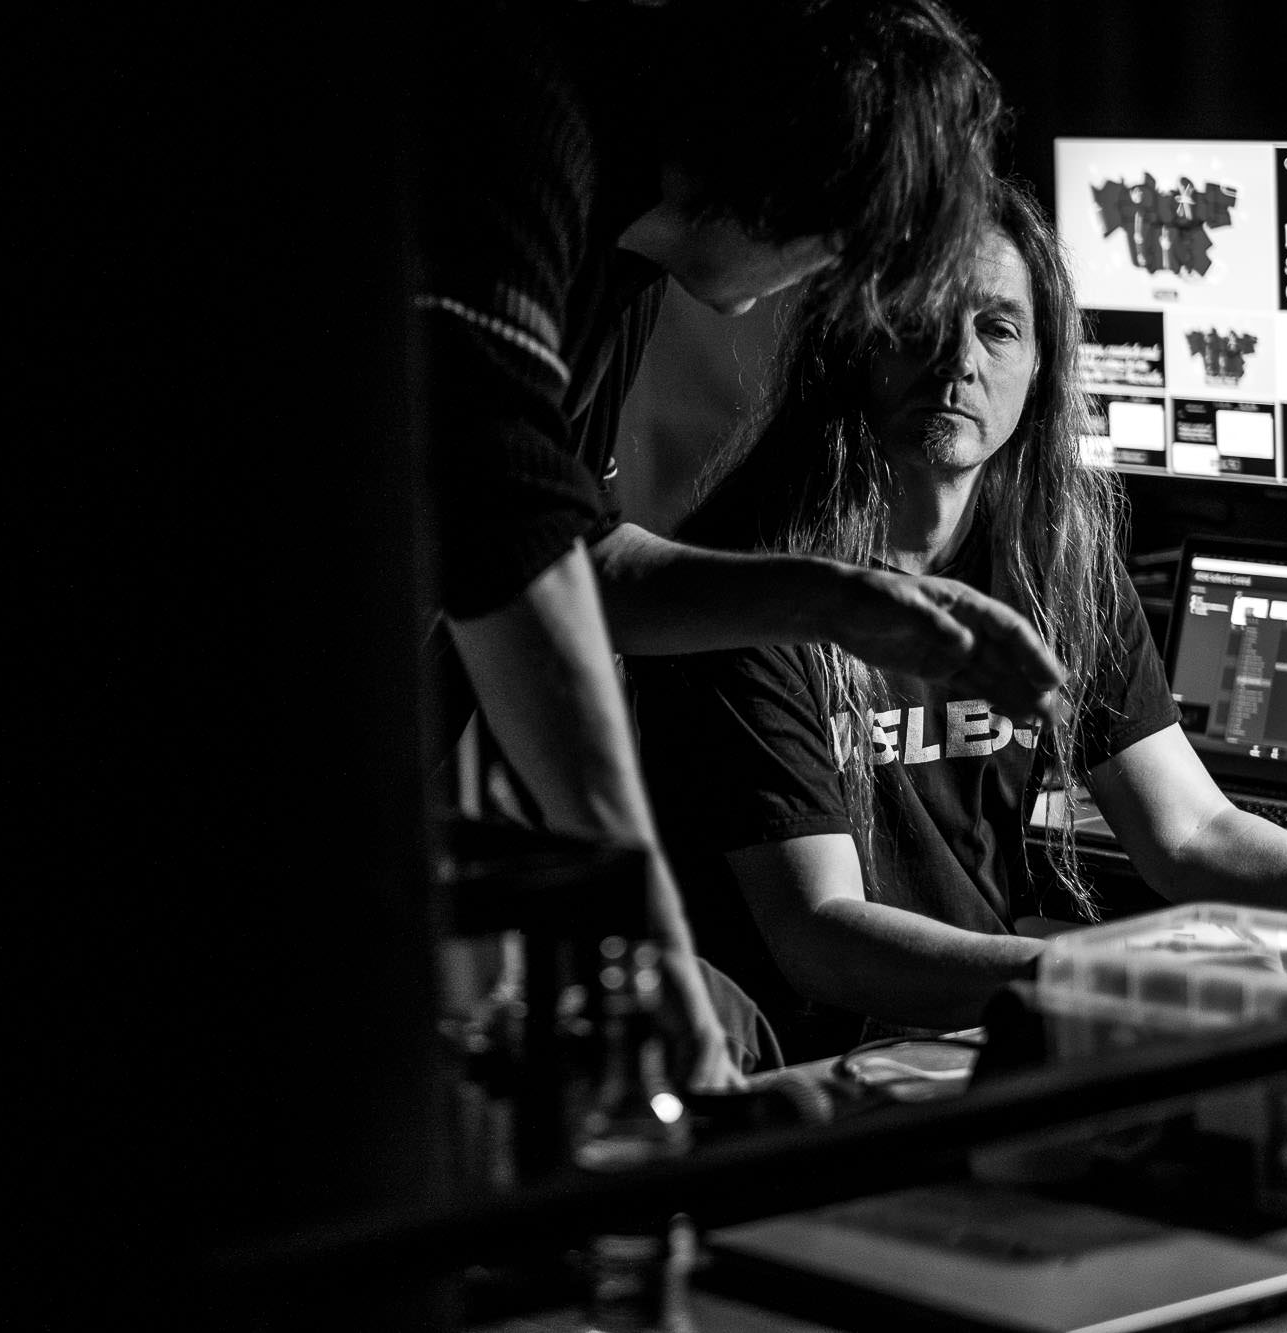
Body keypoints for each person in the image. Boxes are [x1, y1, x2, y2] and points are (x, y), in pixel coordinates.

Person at [625, 177, 1287, 1061]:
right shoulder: (753, 594)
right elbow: (823, 935)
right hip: (795, 1079)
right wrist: (1107, 978)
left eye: (998, 328)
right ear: (850, 340)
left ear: (1042, 367)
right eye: (919, 320)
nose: (958, 361)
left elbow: (1190, 831)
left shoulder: (1054, 560)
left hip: (968, 1051)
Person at [413, 0, 1072, 1090]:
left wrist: (834, 603)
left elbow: (574, 560)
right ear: (805, 167)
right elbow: (499, 526)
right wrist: (650, 938)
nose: (829, 279)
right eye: (851, 246)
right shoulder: (520, 124)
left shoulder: (615, 261)